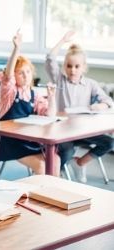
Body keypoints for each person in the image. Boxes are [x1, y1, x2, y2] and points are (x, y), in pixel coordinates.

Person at [46, 31, 114, 183]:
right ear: (65, 66)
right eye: (69, 66)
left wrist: (101, 106)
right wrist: (62, 40)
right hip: (63, 132)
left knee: (109, 142)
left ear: (83, 67)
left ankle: (80, 163)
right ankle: (59, 171)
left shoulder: (90, 84)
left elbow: (108, 100)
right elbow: (50, 58)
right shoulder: (59, 80)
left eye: (77, 66)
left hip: (83, 131)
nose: (73, 70)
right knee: (67, 151)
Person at [0, 31, 59, 176]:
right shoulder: (9, 92)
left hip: (28, 139)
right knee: (41, 166)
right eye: (20, 73)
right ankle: (39, 196)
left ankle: (53, 194)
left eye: (28, 72)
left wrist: (52, 97)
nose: (25, 75)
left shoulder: (34, 94)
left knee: (55, 159)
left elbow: (50, 115)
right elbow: (8, 75)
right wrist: (16, 49)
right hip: (10, 141)